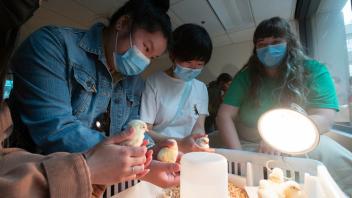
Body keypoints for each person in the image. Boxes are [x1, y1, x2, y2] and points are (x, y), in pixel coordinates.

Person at [0, 0, 180, 197]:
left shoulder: (134, 83)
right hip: (37, 180)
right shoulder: (53, 44)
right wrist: (140, 163)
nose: (144, 63)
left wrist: (154, 150)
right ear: (123, 23)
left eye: (151, 58)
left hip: (94, 184)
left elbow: (133, 131)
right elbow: (56, 130)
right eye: (146, 48)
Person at [215, 17, 352, 194]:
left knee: (337, 163)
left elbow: (325, 118)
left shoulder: (314, 71)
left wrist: (280, 136)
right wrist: (240, 157)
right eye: (262, 44)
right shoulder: (246, 76)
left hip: (300, 138)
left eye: (276, 42)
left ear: (290, 43)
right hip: (249, 141)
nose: (269, 48)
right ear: (255, 49)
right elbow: (224, 115)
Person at [140, 23, 213, 153]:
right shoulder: (154, 82)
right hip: (160, 150)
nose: (193, 68)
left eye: (199, 64)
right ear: (173, 56)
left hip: (189, 151)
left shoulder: (201, 88)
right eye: (188, 62)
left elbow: (199, 125)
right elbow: (145, 130)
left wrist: (199, 140)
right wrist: (179, 143)